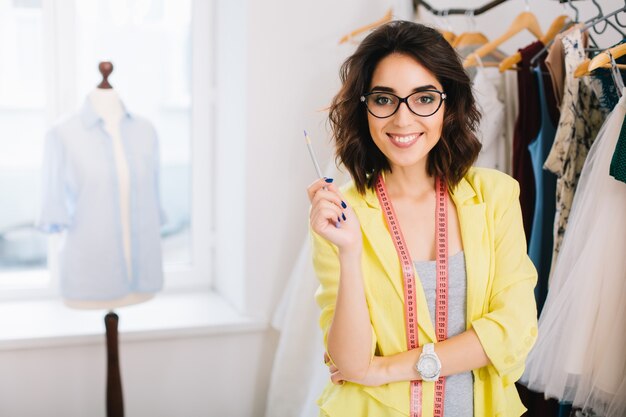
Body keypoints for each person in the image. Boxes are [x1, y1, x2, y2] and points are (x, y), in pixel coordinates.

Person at [307, 21, 538, 417]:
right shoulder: (342, 216)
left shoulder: (495, 195)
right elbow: (349, 363)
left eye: (424, 98)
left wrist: (387, 369)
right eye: (384, 100)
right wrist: (348, 252)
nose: (402, 120)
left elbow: (515, 328)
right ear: (364, 108)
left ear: (448, 105)